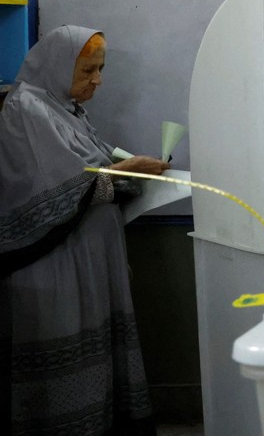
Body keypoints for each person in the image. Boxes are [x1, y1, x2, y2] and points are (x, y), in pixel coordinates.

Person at [0, 25, 170, 435]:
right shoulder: (28, 109)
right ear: (58, 68)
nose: (98, 80)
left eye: (101, 69)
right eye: (88, 71)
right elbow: (60, 187)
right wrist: (123, 171)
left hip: (87, 263)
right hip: (55, 266)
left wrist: (129, 171)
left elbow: (92, 167)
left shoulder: (66, 110)